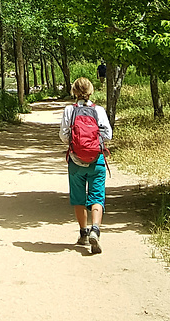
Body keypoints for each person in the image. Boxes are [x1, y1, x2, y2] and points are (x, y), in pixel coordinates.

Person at [61, 76, 112, 253]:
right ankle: (95, 230)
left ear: (74, 92)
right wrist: (94, 143)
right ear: (91, 91)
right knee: (97, 197)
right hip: (97, 160)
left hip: (75, 161)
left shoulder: (69, 110)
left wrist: (76, 144)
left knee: (78, 198)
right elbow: (108, 134)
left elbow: (63, 135)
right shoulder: (99, 110)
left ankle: (83, 233)